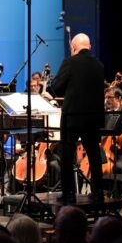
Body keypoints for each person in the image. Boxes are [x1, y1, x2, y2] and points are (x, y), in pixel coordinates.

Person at [50, 33, 105, 203]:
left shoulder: (70, 62)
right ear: (89, 47)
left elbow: (57, 88)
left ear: (73, 48)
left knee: (66, 154)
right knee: (94, 154)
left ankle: (68, 193)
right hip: (93, 118)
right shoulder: (99, 65)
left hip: (72, 117)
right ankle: (98, 192)